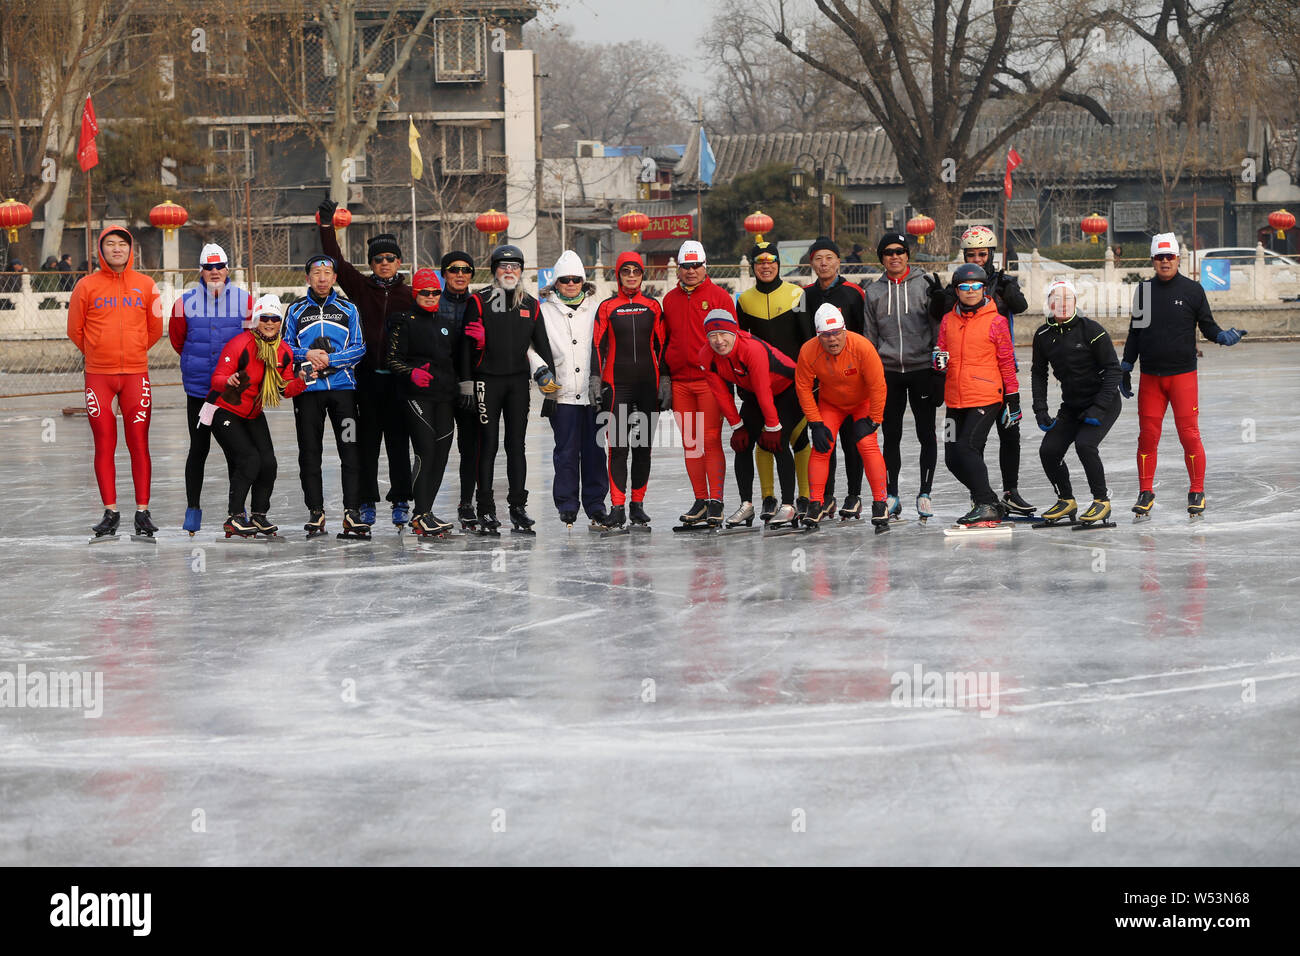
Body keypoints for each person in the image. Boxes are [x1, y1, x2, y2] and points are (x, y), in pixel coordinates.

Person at [1122, 233, 1244, 519]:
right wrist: (1126, 366)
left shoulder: (1192, 291)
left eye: (1169, 257)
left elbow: (1208, 327)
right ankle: (1145, 492)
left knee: (1189, 436)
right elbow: (1135, 333)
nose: (1165, 262)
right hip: (1151, 378)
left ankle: (1197, 490)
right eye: (1159, 257)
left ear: (1177, 258)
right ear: (1152, 260)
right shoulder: (1144, 291)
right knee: (1147, 438)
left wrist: (1223, 337)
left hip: (1182, 377)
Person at [316, 198, 414, 528]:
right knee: (367, 443)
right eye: (378, 259)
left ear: (399, 261)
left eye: (389, 258)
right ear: (371, 263)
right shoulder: (361, 288)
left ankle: (401, 499)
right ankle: (367, 501)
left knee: (399, 443)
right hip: (368, 379)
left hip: (399, 381)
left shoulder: (410, 294)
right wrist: (327, 227)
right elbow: (337, 262)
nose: (384, 263)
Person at [929, 225, 1033, 515]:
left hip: (997, 375)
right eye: (971, 254)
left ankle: (1008, 492)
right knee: (962, 449)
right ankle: (983, 496)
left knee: (1007, 435)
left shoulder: (1000, 285)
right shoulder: (958, 288)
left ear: (991, 254)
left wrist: (1008, 289)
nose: (977, 259)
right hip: (959, 385)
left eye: (982, 254)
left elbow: (1021, 306)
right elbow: (942, 328)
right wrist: (940, 298)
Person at [67, 225, 162, 540]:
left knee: (139, 443)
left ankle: (142, 511)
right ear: (101, 249)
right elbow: (75, 330)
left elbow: (154, 328)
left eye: (122, 243)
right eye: (110, 244)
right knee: (104, 444)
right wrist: (98, 353)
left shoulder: (146, 285)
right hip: (99, 377)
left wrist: (132, 352)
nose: (117, 249)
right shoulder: (86, 286)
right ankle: (110, 511)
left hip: (136, 375)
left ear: (130, 248)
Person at [458, 243, 555, 533]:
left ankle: (517, 507)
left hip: (517, 384)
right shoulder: (479, 301)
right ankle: (485, 508)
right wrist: (466, 386)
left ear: (522, 271)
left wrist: (549, 386)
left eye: (514, 267)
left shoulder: (531, 304)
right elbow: (465, 348)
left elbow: (543, 346)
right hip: (487, 381)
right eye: (503, 266)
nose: (509, 271)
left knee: (517, 446)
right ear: (494, 270)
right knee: (486, 445)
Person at [207, 294, 312, 537]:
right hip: (225, 409)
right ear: (256, 319)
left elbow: (284, 390)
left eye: (275, 318)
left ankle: (259, 515)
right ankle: (234, 517)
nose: (270, 322)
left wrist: (302, 381)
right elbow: (216, 379)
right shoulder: (240, 343)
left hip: (253, 413)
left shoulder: (283, 351)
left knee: (269, 463)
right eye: (264, 317)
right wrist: (228, 380)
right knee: (249, 459)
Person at [168, 243, 252, 535]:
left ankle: (237, 510)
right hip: (200, 389)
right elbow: (178, 340)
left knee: (235, 451)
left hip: (231, 391)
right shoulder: (184, 303)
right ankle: (193, 508)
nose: (214, 272)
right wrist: (197, 364)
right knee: (199, 448)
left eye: (219, 267)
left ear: (228, 269)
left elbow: (253, 342)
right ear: (200, 271)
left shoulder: (244, 301)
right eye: (208, 267)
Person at [283, 254, 368, 539]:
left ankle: (351, 512)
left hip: (343, 393)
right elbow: (284, 347)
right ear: (307, 278)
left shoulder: (348, 309)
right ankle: (316, 511)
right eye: (316, 273)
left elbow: (359, 347)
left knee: (351, 450)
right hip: (308, 392)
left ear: (334, 278)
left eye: (327, 273)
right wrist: (306, 354)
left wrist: (330, 360)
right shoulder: (295, 310)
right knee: (310, 452)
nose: (322, 278)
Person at [863, 232, 943, 522]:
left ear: (908, 255)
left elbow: (938, 331)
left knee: (926, 433)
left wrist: (938, 373)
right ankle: (892, 493)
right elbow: (869, 339)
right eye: (888, 252)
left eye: (899, 251)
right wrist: (869, 377)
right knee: (891, 435)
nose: (894, 256)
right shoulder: (873, 292)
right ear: (881, 258)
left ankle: (925, 493)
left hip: (922, 368)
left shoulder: (925, 285)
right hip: (888, 372)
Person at [699, 309, 802, 528]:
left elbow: (764, 389)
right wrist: (737, 426)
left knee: (779, 442)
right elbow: (721, 394)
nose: (718, 341)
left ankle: (788, 506)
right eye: (712, 336)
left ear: (734, 331)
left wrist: (773, 427)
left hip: (788, 389)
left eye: (723, 334)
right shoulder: (705, 356)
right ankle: (747, 505)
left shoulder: (751, 349)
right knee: (742, 445)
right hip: (756, 393)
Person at [1031, 279, 1122, 526]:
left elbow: (1114, 370)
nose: (1061, 304)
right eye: (1056, 299)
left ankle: (1101, 501)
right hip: (1072, 405)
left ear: (1074, 301)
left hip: (1104, 401)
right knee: (1049, 451)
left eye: (1067, 298)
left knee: (1085, 444)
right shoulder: (1042, 335)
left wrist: (1100, 407)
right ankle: (1066, 500)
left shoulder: (1091, 330)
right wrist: (1040, 409)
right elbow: (1038, 373)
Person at [793, 303, 890, 531]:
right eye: (826, 335)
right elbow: (803, 388)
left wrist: (874, 420)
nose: (833, 340)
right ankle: (816, 503)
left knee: (867, 444)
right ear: (818, 336)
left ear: (845, 330)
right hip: (831, 404)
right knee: (822, 447)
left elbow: (878, 386)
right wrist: (815, 422)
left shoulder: (863, 347)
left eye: (837, 333)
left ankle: (880, 503)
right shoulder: (808, 351)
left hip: (862, 403)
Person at [661, 239, 735, 527]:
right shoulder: (669, 300)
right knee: (691, 443)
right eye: (685, 266)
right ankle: (701, 499)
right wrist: (665, 376)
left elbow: (732, 340)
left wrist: (729, 379)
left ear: (706, 267)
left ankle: (716, 499)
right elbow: (665, 339)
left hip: (709, 380)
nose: (691, 271)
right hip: (681, 382)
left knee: (711, 439)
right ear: (678, 269)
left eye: (696, 265)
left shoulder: (720, 297)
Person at [532, 250, 609, 528]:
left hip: (593, 394)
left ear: (584, 281)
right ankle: (566, 504)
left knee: (595, 451)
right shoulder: (543, 311)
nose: (571, 284)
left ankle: (596, 504)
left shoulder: (598, 308)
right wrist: (540, 371)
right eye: (565, 280)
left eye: (576, 279)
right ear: (556, 282)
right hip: (562, 393)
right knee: (565, 452)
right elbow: (530, 347)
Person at [736, 240, 812, 522]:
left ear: (779, 264)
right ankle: (768, 498)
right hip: (759, 385)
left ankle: (803, 497)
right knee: (763, 440)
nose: (765, 267)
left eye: (771, 262)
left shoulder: (797, 294)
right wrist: (743, 386)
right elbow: (741, 344)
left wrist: (811, 380)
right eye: (760, 263)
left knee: (798, 438)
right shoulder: (744, 300)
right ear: (753, 267)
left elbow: (808, 342)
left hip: (793, 383)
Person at [593, 250, 666, 529]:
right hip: (617, 386)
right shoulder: (607, 307)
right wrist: (596, 381)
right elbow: (597, 347)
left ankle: (638, 505)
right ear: (618, 275)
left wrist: (665, 381)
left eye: (636, 271)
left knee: (643, 447)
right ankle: (617, 506)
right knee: (619, 447)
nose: (632, 276)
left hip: (648, 386)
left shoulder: (653, 306)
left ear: (642, 275)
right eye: (626, 271)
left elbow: (662, 348)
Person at [387, 268, 458, 537]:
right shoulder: (403, 321)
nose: (430, 296)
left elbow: (453, 359)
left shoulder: (445, 322)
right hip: (416, 396)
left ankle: (426, 512)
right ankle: (419, 513)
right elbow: (391, 360)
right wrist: (412, 373)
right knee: (425, 452)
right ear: (415, 293)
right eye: (425, 292)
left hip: (444, 397)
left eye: (435, 292)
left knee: (440, 455)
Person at [801, 236, 867, 521]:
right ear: (811, 263)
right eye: (818, 258)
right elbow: (802, 337)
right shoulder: (804, 295)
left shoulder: (853, 293)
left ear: (838, 261)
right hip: (820, 380)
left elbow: (865, 335)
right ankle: (826, 496)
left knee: (852, 440)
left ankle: (854, 495)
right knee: (824, 440)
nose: (824, 263)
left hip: (852, 379)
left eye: (829, 257)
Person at [437, 250, 481, 529]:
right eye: (454, 270)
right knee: (435, 448)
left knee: (471, 447)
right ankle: (425, 504)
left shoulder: (480, 303)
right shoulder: (432, 300)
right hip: (438, 386)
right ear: (444, 274)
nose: (460, 275)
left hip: (470, 385)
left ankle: (467, 503)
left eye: (466, 270)